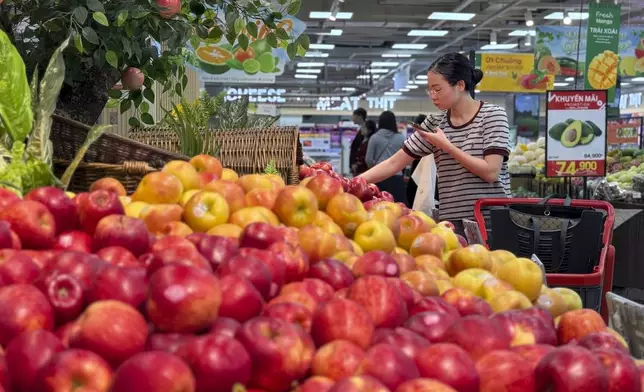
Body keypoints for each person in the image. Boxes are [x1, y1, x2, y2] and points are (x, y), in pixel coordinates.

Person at [359, 52, 510, 236]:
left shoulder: (493, 116)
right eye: (429, 89)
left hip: (491, 222)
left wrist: (447, 147)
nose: (432, 95)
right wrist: (353, 183)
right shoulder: (434, 123)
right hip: (453, 226)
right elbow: (394, 163)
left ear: (460, 85)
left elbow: (491, 172)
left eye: (437, 89)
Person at [365, 111, 408, 205]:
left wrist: (375, 169)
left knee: (378, 206)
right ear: (393, 122)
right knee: (399, 207)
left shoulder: (374, 138)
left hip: (379, 177)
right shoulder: (401, 138)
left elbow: (368, 159)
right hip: (397, 178)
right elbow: (406, 159)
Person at [349, 108, 368, 176]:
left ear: (359, 116)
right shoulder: (360, 129)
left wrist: (356, 163)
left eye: (354, 116)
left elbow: (361, 149)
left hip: (360, 167)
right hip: (358, 166)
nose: (352, 118)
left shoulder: (365, 131)